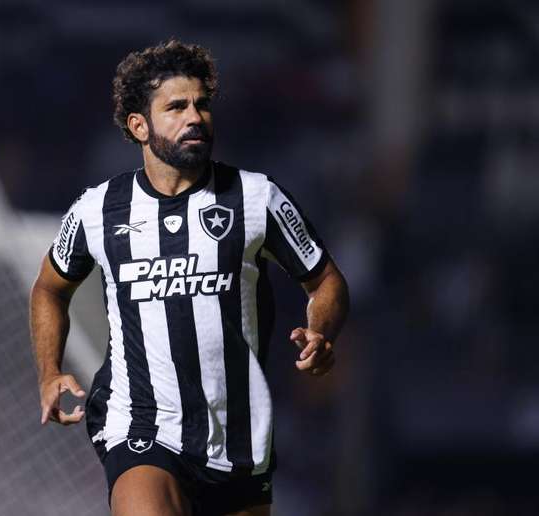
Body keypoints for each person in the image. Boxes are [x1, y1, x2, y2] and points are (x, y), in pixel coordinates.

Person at [29, 39, 349, 516]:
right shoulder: (98, 209)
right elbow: (50, 288)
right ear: (139, 125)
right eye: (176, 107)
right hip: (139, 426)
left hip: (237, 438)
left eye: (201, 104)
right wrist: (50, 372)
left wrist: (321, 332)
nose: (194, 117)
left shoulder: (256, 198)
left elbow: (325, 280)